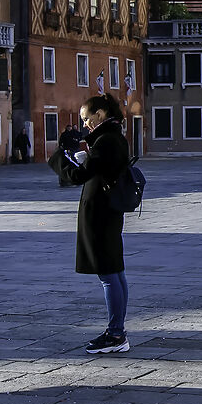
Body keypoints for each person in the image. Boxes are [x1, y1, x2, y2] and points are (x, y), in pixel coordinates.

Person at [70, 93, 133, 354]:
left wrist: (64, 161)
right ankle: (117, 331)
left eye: (86, 118)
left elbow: (83, 175)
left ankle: (116, 334)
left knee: (109, 275)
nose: (85, 124)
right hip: (109, 213)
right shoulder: (113, 136)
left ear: (100, 114)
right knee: (115, 272)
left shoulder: (106, 140)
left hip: (102, 214)